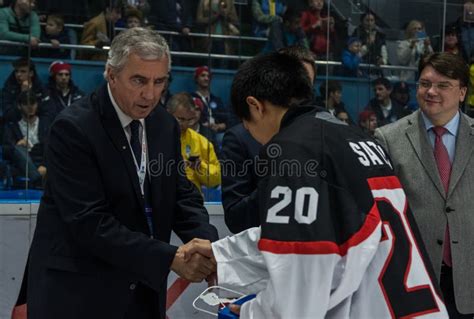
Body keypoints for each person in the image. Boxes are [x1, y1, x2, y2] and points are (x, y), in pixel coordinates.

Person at [210, 52, 448, 317]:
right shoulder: (356, 137)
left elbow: (298, 290)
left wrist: (247, 313)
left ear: (255, 106)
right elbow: (326, 232)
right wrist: (220, 254)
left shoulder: (293, 149)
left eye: (246, 123)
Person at [24, 27, 218, 319]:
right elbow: (89, 222)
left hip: (141, 291)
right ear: (111, 75)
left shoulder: (163, 124)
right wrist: (170, 258)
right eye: (139, 80)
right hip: (79, 295)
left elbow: (180, 194)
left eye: (159, 81)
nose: (150, 94)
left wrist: (209, 246)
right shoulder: (73, 128)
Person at [375, 52, 474, 318]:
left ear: (462, 92)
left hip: (468, 279)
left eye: (443, 85)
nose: (431, 91)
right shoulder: (388, 139)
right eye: (425, 83)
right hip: (412, 278)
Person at [167, 92, 221, 192]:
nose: (185, 124)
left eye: (190, 120)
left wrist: (200, 167)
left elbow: (216, 180)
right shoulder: (153, 137)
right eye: (180, 119)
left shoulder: (201, 142)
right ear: (168, 113)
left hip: (191, 199)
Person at [3, 89, 50, 188]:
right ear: (19, 106)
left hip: (42, 161)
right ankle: (38, 180)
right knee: (18, 149)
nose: (30, 107)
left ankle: (36, 179)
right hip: (21, 163)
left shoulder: (46, 123)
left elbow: (53, 147)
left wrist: (45, 165)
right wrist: (16, 145)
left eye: (33, 103)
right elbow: (5, 150)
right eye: (26, 104)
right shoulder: (12, 126)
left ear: (37, 104)